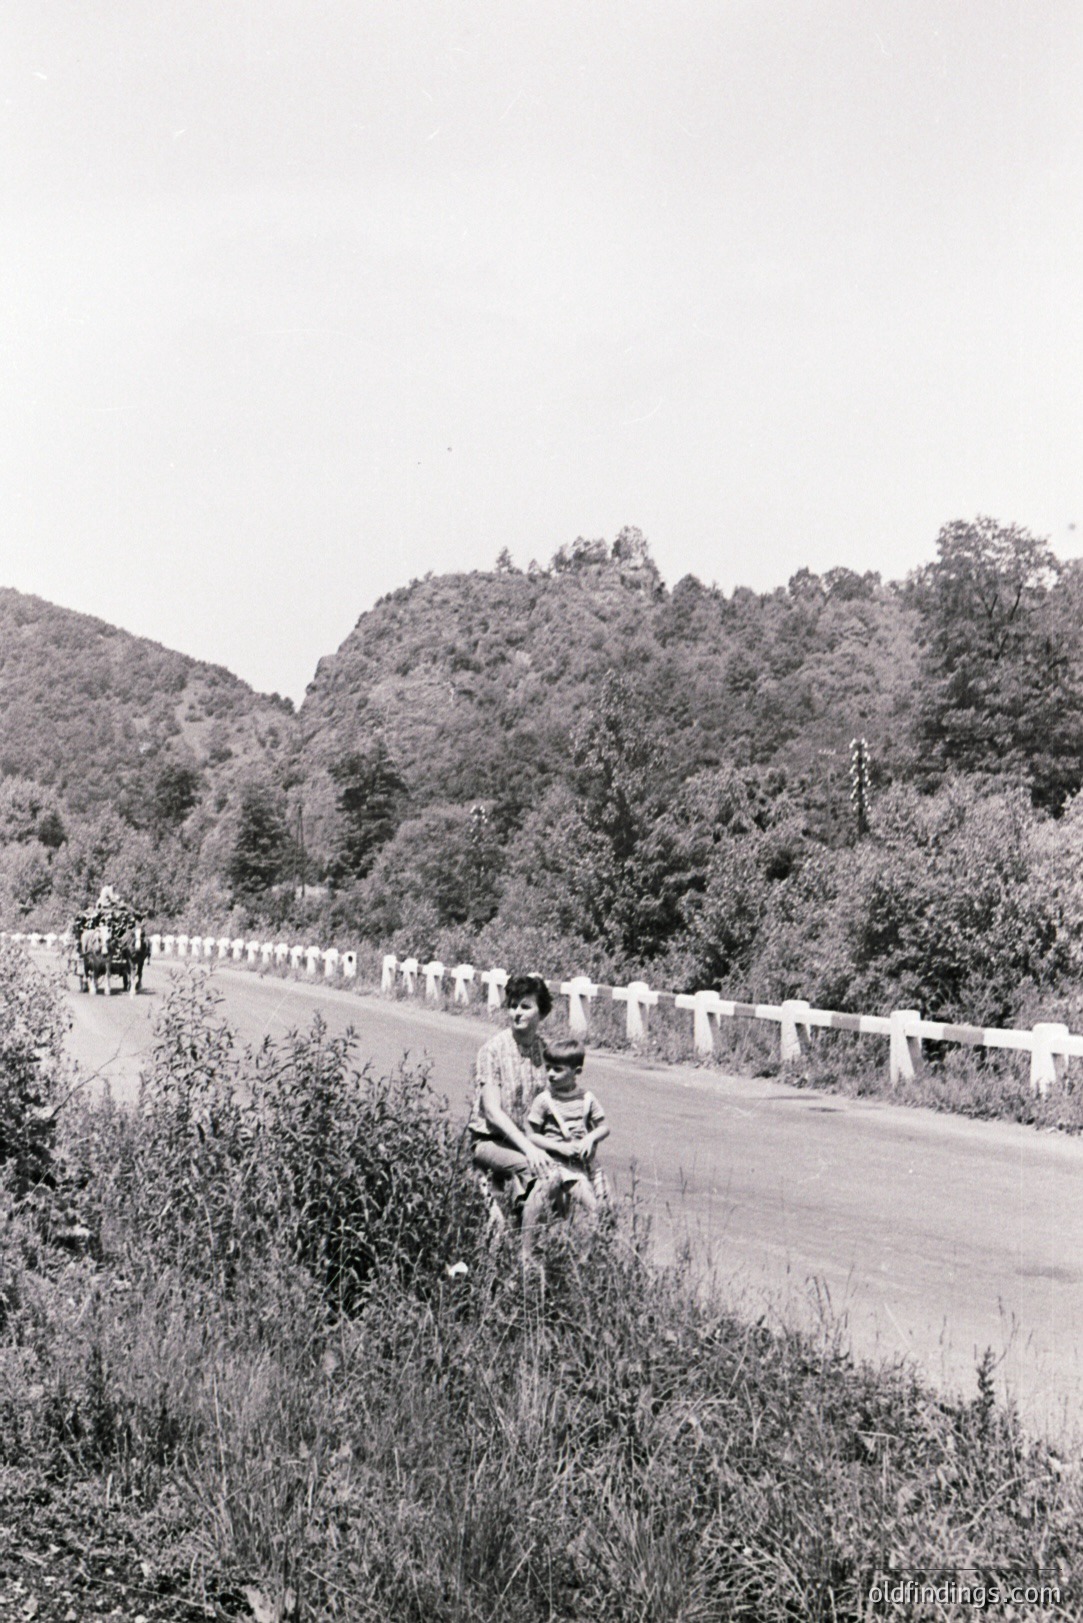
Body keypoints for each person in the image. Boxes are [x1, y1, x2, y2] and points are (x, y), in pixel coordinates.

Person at [469, 972, 556, 1210]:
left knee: (568, 1171)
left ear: (542, 1013)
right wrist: (529, 1149)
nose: (517, 1012)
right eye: (513, 1005)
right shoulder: (493, 1050)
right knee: (535, 1168)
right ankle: (525, 1245)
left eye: (525, 1006)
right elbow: (492, 1112)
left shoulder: (545, 1051)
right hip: (491, 1141)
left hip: (529, 1141)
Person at [526, 1038, 611, 1219]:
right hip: (559, 1164)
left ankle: (599, 1240)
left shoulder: (586, 1098)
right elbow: (531, 1135)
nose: (550, 1074)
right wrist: (559, 1147)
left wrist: (590, 1138)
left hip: (586, 1163)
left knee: (606, 1205)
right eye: (548, 1067)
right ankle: (592, 1241)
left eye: (558, 1069)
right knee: (592, 1206)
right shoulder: (544, 1100)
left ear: (576, 1072)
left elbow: (604, 1128)